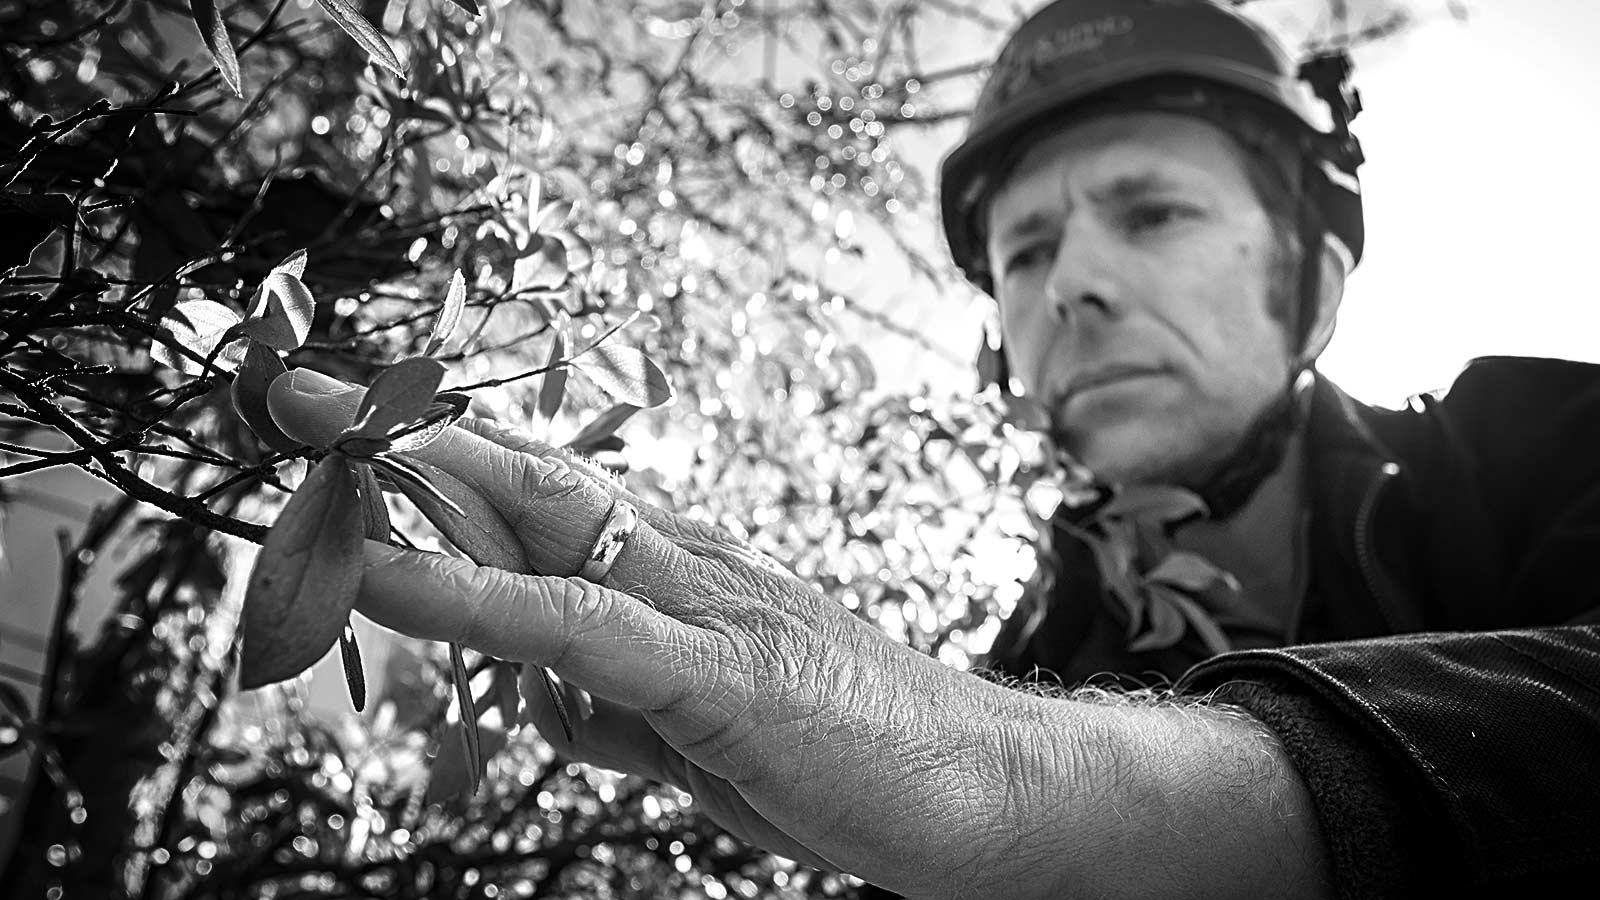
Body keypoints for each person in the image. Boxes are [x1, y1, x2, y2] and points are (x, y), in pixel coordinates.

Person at [268, 0, 1600, 895]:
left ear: (1307, 269)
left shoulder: (1526, 447)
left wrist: (1030, 781)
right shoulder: (1033, 663)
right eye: (1026, 250)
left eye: (1151, 213)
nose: (1070, 284)